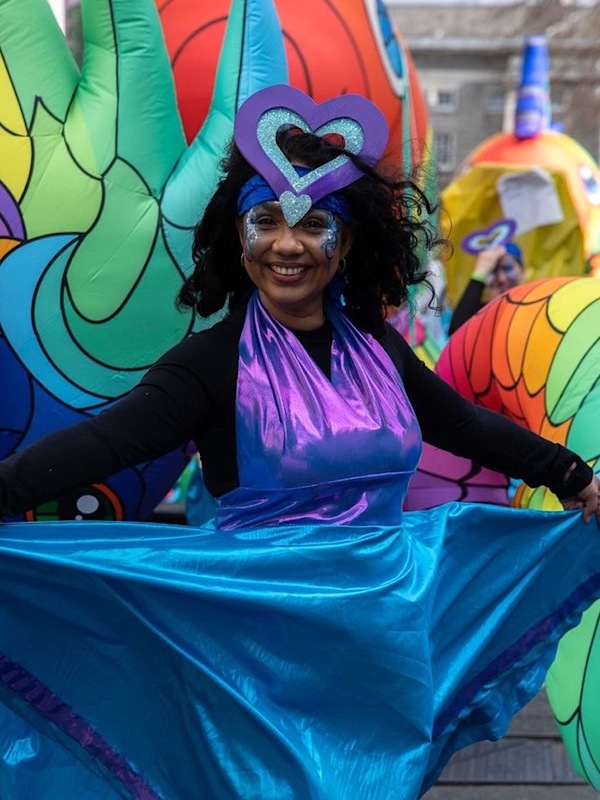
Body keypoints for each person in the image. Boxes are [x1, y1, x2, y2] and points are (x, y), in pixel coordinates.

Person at [0, 84, 599, 800]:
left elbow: (461, 425)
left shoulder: (377, 347)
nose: (287, 245)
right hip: (260, 650)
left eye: (313, 225)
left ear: (344, 243)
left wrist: (572, 474)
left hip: (383, 641)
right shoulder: (211, 363)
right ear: (239, 237)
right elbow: (104, 444)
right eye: (265, 223)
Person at [448, 242, 525, 335]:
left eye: (507, 268)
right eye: (493, 271)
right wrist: (479, 274)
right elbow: (456, 331)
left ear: (522, 271)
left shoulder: (533, 307)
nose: (501, 278)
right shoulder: (482, 313)